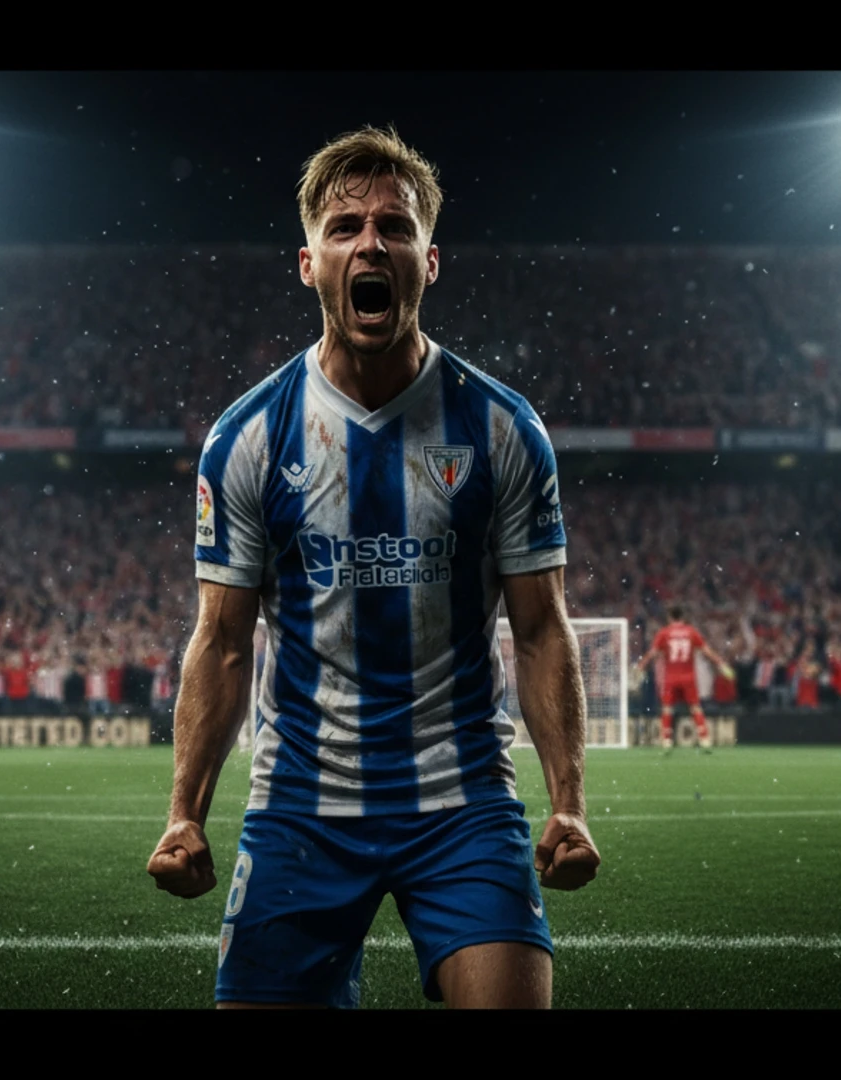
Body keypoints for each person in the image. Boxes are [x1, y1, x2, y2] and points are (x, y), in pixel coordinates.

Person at [146, 127, 600, 1010]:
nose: (369, 243)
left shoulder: (502, 428)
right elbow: (224, 642)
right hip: (302, 808)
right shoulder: (248, 438)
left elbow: (541, 629)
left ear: (428, 262)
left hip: (463, 799)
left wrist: (570, 801)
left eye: (394, 226)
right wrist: (184, 814)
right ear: (308, 262)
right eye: (345, 225)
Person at [632, 604, 732, 751]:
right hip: (688, 677)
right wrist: (721, 663)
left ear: (669, 617)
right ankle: (704, 739)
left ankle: (666, 740)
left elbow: (653, 653)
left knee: (667, 708)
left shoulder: (664, 633)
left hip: (671, 677)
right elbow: (706, 651)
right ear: (683, 617)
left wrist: (641, 665)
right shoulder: (691, 632)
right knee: (695, 708)